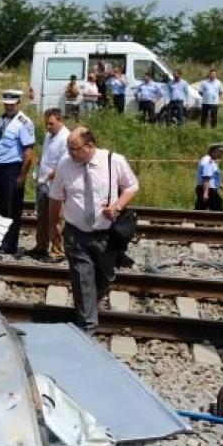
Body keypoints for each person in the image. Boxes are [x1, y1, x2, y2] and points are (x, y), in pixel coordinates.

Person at [48, 128, 140, 333]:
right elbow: (55, 198)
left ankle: (88, 308)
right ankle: (87, 326)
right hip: (76, 233)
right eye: (68, 149)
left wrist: (117, 206)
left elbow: (132, 186)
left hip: (106, 234)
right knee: (82, 279)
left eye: (74, 149)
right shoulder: (65, 165)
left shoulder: (113, 161)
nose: (70, 154)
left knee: (106, 277)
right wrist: (52, 228)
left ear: (89, 146)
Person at [0, 90, 36, 256]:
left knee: (12, 209)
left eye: (12, 104)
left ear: (18, 103)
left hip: (13, 168)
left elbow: (28, 152)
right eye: (6, 104)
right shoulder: (1, 119)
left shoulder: (24, 122)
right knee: (1, 208)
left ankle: (10, 244)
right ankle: (2, 240)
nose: (8, 107)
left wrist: (22, 175)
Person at [28, 108, 69, 262]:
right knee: (43, 216)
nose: (48, 127)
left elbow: (65, 162)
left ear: (60, 120)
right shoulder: (49, 136)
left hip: (56, 184)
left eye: (51, 124)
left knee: (57, 218)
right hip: (44, 181)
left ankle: (58, 250)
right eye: (46, 124)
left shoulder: (66, 138)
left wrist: (54, 174)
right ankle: (41, 246)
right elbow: (46, 155)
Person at [195, 142, 223, 211]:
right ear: (214, 151)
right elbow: (206, 177)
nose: (222, 153)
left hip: (208, 189)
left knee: (200, 210)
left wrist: (221, 185)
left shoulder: (212, 161)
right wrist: (206, 193)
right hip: (208, 189)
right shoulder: (208, 161)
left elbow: (212, 177)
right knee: (218, 209)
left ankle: (195, 219)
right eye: (220, 151)